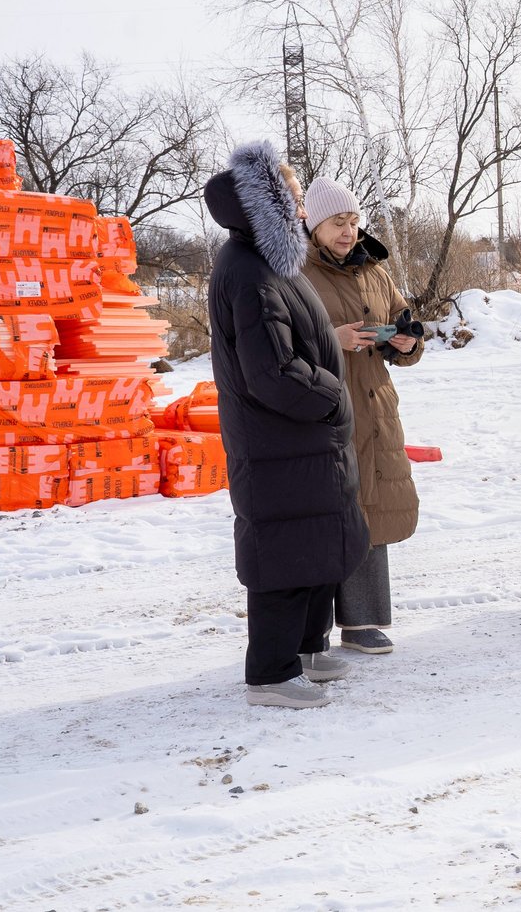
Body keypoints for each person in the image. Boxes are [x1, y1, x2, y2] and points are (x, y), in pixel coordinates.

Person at [204, 141, 366, 708]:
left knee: (315, 543)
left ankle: (306, 649)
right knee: (285, 555)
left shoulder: (272, 258)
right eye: (294, 197)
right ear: (267, 202)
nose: (301, 207)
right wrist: (329, 394)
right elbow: (271, 371)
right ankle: (271, 674)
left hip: (303, 438)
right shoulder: (247, 269)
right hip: (280, 438)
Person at [299, 179, 423, 655]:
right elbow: (286, 341)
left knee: (372, 507)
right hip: (328, 405)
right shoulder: (298, 272)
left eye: (353, 222)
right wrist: (335, 338)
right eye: (338, 223)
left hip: (374, 402)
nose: (349, 232)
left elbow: (402, 317)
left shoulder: (375, 268)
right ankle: (314, 627)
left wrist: (407, 340)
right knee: (333, 513)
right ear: (314, 223)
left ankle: (364, 620)